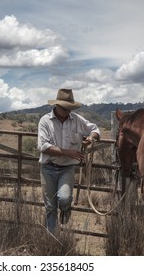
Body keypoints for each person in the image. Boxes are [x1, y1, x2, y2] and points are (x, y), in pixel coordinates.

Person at [38, 88, 100, 233]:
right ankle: (52, 236)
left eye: (69, 108)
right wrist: (69, 153)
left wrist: (90, 138)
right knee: (50, 205)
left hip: (67, 167)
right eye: (65, 108)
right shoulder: (45, 121)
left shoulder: (77, 120)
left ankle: (66, 210)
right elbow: (43, 146)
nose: (67, 111)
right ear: (57, 106)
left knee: (65, 198)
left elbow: (95, 129)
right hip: (48, 167)